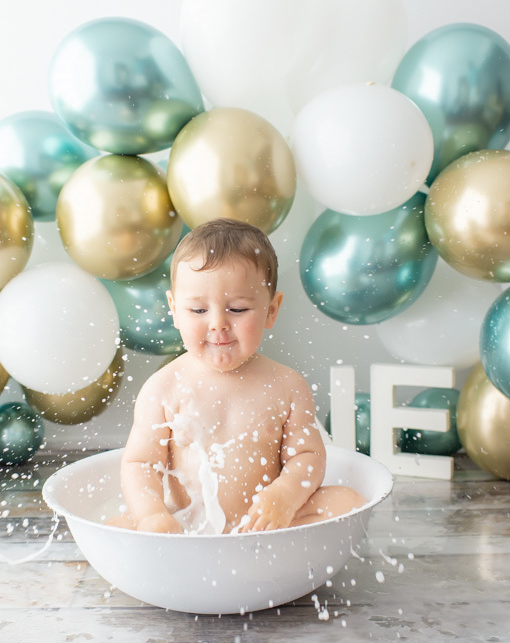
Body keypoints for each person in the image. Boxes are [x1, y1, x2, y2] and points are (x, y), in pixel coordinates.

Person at [112, 218, 366, 534]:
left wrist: (284, 497)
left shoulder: (286, 385)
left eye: (238, 309)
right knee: (118, 525)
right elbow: (141, 464)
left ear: (271, 310)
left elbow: (308, 456)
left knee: (346, 501)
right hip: (190, 526)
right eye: (198, 311)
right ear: (175, 310)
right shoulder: (164, 388)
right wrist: (153, 515)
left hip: (265, 525)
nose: (218, 323)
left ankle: (267, 550)